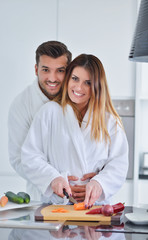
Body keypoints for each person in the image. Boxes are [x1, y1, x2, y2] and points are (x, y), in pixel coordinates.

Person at [21, 54, 128, 206]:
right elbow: (30, 156)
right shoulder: (49, 112)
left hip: (95, 207)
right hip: (57, 205)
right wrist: (53, 179)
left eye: (88, 82)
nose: (78, 87)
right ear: (68, 79)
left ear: (97, 86)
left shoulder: (109, 121)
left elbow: (119, 163)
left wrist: (99, 183)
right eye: (75, 79)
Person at [8, 41, 95, 202]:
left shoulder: (81, 97)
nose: (52, 78)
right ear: (36, 70)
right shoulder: (21, 105)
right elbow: (19, 158)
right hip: (44, 197)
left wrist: (98, 177)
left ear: (68, 71)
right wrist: (52, 179)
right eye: (45, 70)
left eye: (60, 71)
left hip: (86, 194)